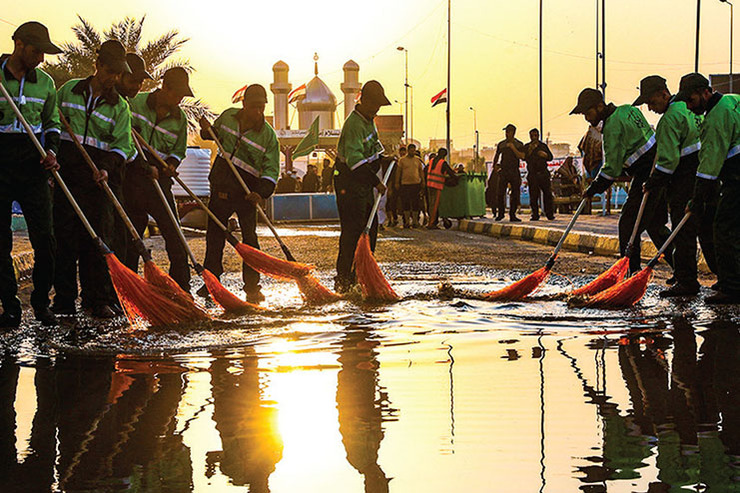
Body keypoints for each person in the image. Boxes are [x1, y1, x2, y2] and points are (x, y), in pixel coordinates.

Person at [52, 40, 134, 319]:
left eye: (117, 74)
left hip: (97, 179)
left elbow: (123, 147)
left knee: (96, 241)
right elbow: (51, 126)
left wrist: (108, 169)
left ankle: (96, 300)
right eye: (109, 71)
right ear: (97, 65)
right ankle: (63, 301)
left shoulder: (119, 107)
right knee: (64, 240)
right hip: (66, 177)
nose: (113, 78)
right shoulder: (67, 91)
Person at [571, 87, 673, 275]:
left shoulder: (611, 127)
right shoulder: (629, 110)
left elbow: (611, 169)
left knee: (628, 223)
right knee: (654, 225)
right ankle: (681, 270)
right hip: (659, 171)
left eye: (588, 112)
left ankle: (631, 270)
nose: (586, 117)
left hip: (647, 175)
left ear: (600, 106)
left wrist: (593, 189)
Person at [0, 22, 62, 327]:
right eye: (36, 51)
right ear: (19, 44)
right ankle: (10, 307)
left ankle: (41, 304)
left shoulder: (46, 83)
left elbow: (52, 123)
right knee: (1, 242)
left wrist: (51, 150)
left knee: (45, 239)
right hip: (1, 164)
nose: (41, 58)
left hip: (33, 164)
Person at [635, 75, 716, 298]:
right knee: (708, 230)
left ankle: (687, 282)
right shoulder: (690, 109)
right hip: (707, 172)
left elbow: (668, 162)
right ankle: (726, 279)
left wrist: (652, 181)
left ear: (664, 94)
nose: (650, 108)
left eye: (652, 102)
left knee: (684, 232)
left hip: (684, 178)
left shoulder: (669, 119)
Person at [198, 84, 279, 303]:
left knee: (250, 239)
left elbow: (272, 170)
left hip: (247, 192)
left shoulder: (268, 136)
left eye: (261, 108)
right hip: (222, 186)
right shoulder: (227, 117)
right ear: (243, 104)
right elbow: (211, 135)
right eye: (254, 107)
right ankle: (211, 282)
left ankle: (252, 286)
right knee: (215, 236)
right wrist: (205, 130)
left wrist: (260, 193)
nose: (258, 113)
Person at [124, 67, 193, 293]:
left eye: (182, 97)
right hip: (132, 179)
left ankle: (181, 288)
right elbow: (125, 141)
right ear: (164, 87)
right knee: (131, 236)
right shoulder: (135, 104)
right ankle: (130, 287)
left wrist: (171, 165)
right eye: (176, 95)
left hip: (160, 182)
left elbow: (178, 149)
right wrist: (143, 166)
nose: (179, 100)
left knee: (175, 234)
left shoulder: (179, 118)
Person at [679, 73, 740, 304]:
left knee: (724, 228)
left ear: (706, 92)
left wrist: (697, 199)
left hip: (737, 176)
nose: (688, 105)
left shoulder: (715, 118)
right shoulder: (733, 100)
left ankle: (732, 288)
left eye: (691, 100)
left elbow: (708, 169)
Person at [333, 80, 393, 293]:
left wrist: (386, 160)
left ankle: (361, 275)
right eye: (374, 104)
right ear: (364, 100)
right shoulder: (354, 125)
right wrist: (376, 182)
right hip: (348, 181)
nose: (377, 109)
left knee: (370, 228)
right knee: (352, 231)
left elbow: (376, 152)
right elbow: (356, 163)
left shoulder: (370, 123)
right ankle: (343, 281)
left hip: (364, 183)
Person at [493, 124, 525, 222]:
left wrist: (512, 148)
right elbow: (497, 155)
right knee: (500, 193)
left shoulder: (519, 144)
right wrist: (495, 166)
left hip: (514, 170)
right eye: (506, 132)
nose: (507, 134)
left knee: (515, 193)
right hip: (504, 171)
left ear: (513, 133)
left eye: (509, 132)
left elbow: (522, 156)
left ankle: (512, 214)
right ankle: (501, 213)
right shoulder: (502, 144)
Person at [523, 128, 555, 221]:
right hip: (533, 174)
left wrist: (544, 155)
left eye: (536, 135)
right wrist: (531, 150)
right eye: (532, 136)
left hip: (543, 173)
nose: (534, 137)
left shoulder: (543, 146)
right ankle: (535, 214)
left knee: (547, 194)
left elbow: (550, 157)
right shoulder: (527, 146)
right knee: (533, 196)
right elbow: (524, 157)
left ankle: (549, 214)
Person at [425, 148, 457, 229]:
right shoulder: (442, 162)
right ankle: (431, 224)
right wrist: (456, 178)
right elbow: (451, 173)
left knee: (431, 204)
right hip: (436, 186)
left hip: (429, 185)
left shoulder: (432, 160)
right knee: (434, 205)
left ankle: (431, 222)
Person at [396, 143, 424, 228]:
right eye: (411, 150)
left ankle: (415, 221)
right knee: (406, 203)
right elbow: (398, 172)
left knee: (416, 203)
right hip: (405, 185)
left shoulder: (418, 160)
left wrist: (423, 182)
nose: (413, 152)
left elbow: (421, 172)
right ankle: (407, 222)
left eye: (414, 150)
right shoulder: (402, 160)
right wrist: (397, 182)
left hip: (415, 184)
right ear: (408, 151)